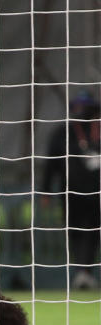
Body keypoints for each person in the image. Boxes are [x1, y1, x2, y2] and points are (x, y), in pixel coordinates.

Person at [42, 92, 101, 290]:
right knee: (75, 231)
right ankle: (80, 272)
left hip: (97, 194)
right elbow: (50, 166)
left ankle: (87, 272)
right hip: (71, 194)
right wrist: (46, 191)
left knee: (94, 233)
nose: (82, 111)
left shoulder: (98, 129)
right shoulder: (62, 133)